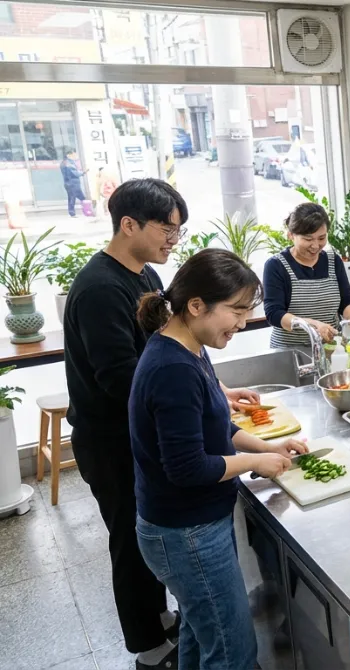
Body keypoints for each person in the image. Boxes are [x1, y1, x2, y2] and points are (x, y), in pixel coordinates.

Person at [64, 178, 260, 670]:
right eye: (166, 229)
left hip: (153, 442)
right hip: (112, 441)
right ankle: (147, 645)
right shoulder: (99, 288)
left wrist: (215, 395)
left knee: (189, 600)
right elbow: (122, 378)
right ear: (128, 224)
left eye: (178, 230)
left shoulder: (149, 279)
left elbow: (178, 360)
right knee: (132, 543)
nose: (173, 239)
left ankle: (167, 622)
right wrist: (198, 403)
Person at [130, 248, 309, 669]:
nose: (243, 322)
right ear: (196, 305)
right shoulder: (172, 368)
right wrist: (252, 465)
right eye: (237, 311)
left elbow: (215, 427)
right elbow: (188, 467)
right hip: (185, 533)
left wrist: (267, 448)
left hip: (189, 526)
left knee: (199, 633)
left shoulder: (190, 347)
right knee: (232, 651)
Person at [264, 202, 350, 349]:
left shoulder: (333, 261)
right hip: (290, 352)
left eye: (321, 238)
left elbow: (346, 302)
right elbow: (274, 314)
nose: (315, 245)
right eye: (308, 239)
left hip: (331, 348)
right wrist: (313, 326)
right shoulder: (276, 265)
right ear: (291, 235)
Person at [60, 148, 88, 218]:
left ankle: (86, 211)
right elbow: (75, 173)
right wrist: (83, 172)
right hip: (72, 183)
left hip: (70, 183)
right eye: (73, 155)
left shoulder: (66, 162)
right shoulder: (68, 163)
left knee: (80, 198)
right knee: (74, 198)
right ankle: (75, 213)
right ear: (68, 155)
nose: (75, 156)